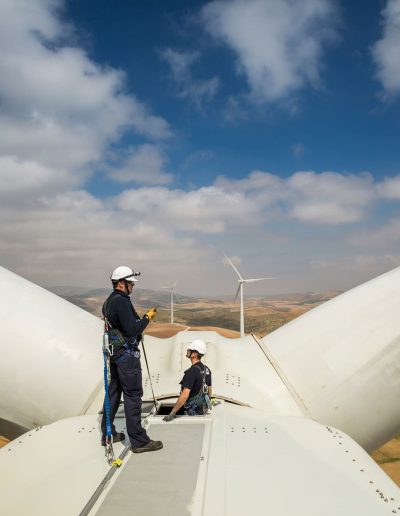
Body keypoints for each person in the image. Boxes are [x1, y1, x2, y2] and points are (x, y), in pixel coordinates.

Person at [101, 265, 163, 453]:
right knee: (133, 395)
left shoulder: (109, 301)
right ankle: (139, 441)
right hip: (126, 357)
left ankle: (107, 434)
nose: (133, 286)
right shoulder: (121, 301)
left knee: (113, 393)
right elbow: (132, 330)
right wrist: (147, 318)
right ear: (121, 283)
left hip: (115, 354)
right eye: (130, 283)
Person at [163, 339, 212, 422]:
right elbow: (209, 390)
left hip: (192, 413)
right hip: (202, 411)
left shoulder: (191, 372)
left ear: (195, 354)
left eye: (190, 350)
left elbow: (185, 395)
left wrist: (172, 413)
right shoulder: (207, 369)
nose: (187, 351)